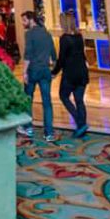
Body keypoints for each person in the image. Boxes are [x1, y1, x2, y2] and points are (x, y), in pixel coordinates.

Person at [20, 10, 57, 142]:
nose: (23, 24)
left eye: (24, 20)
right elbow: (54, 54)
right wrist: (53, 70)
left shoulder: (29, 34)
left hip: (33, 70)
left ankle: (28, 127)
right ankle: (49, 133)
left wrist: (24, 72)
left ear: (31, 20)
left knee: (27, 99)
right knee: (47, 102)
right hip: (45, 70)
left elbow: (28, 54)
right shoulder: (47, 33)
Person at [51, 13, 89, 138]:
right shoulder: (79, 36)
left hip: (70, 73)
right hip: (82, 72)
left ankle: (80, 122)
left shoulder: (64, 38)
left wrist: (54, 72)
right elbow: (82, 55)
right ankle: (82, 125)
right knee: (79, 100)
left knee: (63, 96)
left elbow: (62, 59)